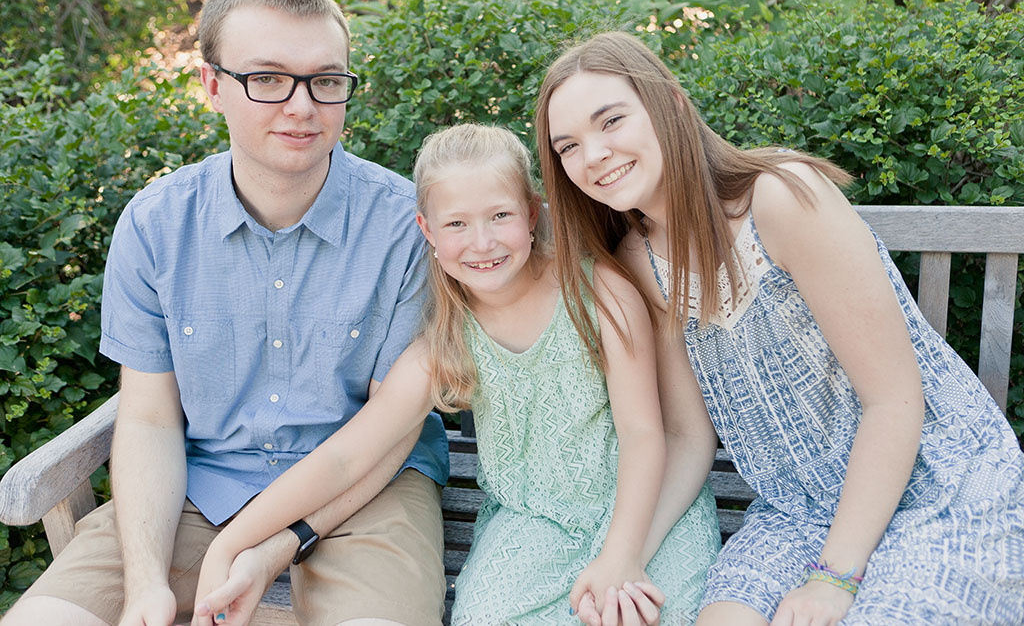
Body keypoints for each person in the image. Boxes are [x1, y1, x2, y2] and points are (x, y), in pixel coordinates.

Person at [1, 0, 450, 626]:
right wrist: (145, 584)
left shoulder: (405, 227)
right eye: (267, 78)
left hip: (366, 494)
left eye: (326, 80)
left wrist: (273, 544)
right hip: (199, 488)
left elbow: (388, 433)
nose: (302, 107)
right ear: (213, 85)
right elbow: (150, 418)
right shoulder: (156, 224)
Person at [534, 30, 1024, 626]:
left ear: (672, 105)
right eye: (568, 147)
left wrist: (834, 579)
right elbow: (688, 437)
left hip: (938, 485)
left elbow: (893, 401)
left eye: (611, 121)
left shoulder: (782, 198)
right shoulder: (641, 262)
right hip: (797, 509)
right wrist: (624, 555)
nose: (593, 155)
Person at [191, 123, 721, 625]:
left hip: (643, 508)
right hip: (532, 524)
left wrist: (621, 557)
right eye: (457, 224)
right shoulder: (444, 342)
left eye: (500, 216)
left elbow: (643, 434)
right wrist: (230, 545)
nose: (482, 242)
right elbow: (346, 456)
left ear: (531, 213)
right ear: (428, 230)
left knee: (644, 612)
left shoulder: (599, 294)